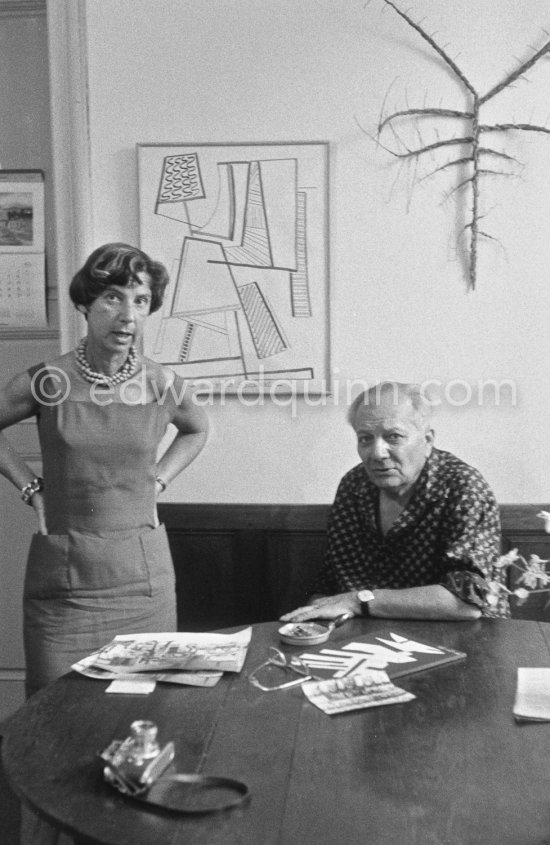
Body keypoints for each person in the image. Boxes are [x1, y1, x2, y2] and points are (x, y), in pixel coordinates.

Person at [0, 242, 209, 698]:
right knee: (54, 716)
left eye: (140, 300)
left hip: (142, 585)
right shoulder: (47, 380)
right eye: (113, 297)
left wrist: (158, 480)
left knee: (141, 715)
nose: (127, 314)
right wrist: (30, 487)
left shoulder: (162, 383)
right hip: (64, 588)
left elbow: (196, 430)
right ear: (85, 303)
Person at [281, 381, 507, 623]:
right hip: (366, 638)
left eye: (394, 437)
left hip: (462, 638)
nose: (377, 453)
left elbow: (466, 602)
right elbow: (329, 585)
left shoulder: (463, 487)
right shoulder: (354, 485)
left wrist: (359, 600)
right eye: (365, 439)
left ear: (427, 440)